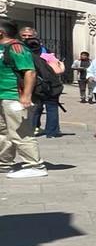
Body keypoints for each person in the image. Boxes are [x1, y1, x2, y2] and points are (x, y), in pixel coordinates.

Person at [0, 20, 46, 178]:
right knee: (3, 132)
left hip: (14, 96)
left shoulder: (16, 47)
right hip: (2, 96)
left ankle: (35, 165)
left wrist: (25, 96)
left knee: (21, 132)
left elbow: (30, 72)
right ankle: (5, 163)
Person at [17, 25, 65, 138]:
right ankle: (43, 130)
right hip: (36, 84)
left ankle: (46, 131)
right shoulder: (18, 49)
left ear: (35, 36)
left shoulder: (42, 51)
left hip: (46, 84)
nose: (27, 38)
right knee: (36, 108)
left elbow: (56, 69)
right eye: (24, 35)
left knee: (44, 107)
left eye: (29, 35)